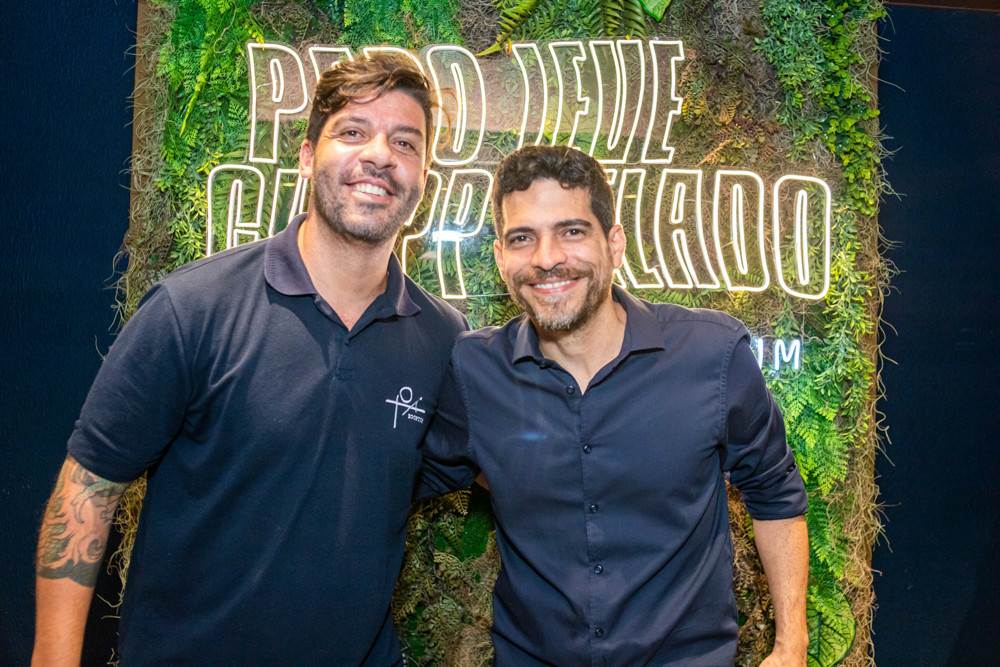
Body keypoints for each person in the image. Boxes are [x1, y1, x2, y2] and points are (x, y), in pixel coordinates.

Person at [33, 52, 468, 665]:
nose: (380, 155)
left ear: (424, 174)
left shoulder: (443, 338)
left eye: (405, 142)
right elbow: (89, 488)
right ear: (307, 155)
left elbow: (449, 465)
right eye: (352, 131)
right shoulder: (193, 307)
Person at [419, 145, 810, 666]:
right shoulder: (474, 370)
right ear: (499, 257)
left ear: (615, 244)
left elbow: (775, 492)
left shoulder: (712, 355)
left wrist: (791, 647)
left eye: (571, 231)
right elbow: (413, 474)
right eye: (522, 238)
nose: (546, 258)